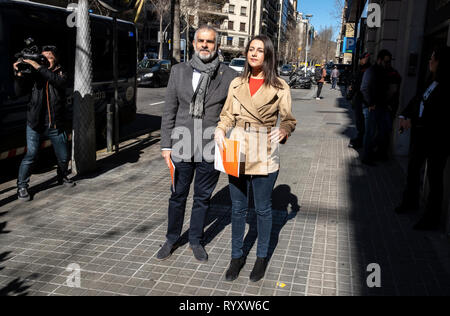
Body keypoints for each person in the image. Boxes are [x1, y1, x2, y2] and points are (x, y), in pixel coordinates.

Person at [215, 35, 297, 282]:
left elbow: (289, 119)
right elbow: (227, 114)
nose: (253, 54)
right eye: (251, 49)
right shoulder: (236, 84)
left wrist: (283, 130)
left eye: (259, 50)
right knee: (238, 208)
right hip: (237, 145)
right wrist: (220, 129)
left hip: (263, 146)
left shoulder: (280, 86)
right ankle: (236, 257)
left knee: (262, 209)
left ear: (268, 55)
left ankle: (261, 257)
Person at [158, 25, 237, 262]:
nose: (205, 45)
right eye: (201, 41)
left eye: (210, 42)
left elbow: (232, 112)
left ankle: (195, 240)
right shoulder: (178, 71)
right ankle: (171, 238)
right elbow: (169, 110)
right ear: (193, 44)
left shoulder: (229, 76)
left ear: (217, 46)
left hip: (210, 146)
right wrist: (165, 146)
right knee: (177, 196)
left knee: (202, 198)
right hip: (180, 143)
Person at [395, 46, 450, 231]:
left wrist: (417, 120)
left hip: (438, 140)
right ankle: (410, 202)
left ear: (441, 62)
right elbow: (418, 100)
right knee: (413, 169)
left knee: (434, 179)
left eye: (433, 58)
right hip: (421, 136)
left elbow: (439, 115)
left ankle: (431, 217)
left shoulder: (446, 85)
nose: (430, 61)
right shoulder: (430, 80)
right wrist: (405, 115)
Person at [13, 45, 74, 202]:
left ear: (56, 58)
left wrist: (38, 67)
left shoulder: (61, 72)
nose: (46, 59)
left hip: (55, 123)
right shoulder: (35, 73)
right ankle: (21, 186)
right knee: (31, 154)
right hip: (35, 123)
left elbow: (57, 82)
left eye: (49, 56)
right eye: (43, 56)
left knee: (63, 156)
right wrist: (19, 74)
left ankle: (62, 175)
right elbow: (19, 92)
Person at [360, 49, 393, 165]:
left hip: (382, 106)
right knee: (370, 132)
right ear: (379, 60)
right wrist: (370, 103)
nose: (387, 64)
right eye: (386, 61)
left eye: (389, 62)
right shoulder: (371, 71)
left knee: (384, 130)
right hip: (371, 107)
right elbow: (364, 88)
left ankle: (376, 152)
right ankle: (366, 157)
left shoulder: (384, 71)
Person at [348, 52, 371, 149]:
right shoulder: (361, 69)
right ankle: (360, 139)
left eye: (364, 59)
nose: (362, 61)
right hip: (359, 98)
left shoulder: (367, 70)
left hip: (363, 100)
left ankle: (362, 141)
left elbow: (360, 86)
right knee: (359, 121)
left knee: (362, 122)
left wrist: (351, 94)